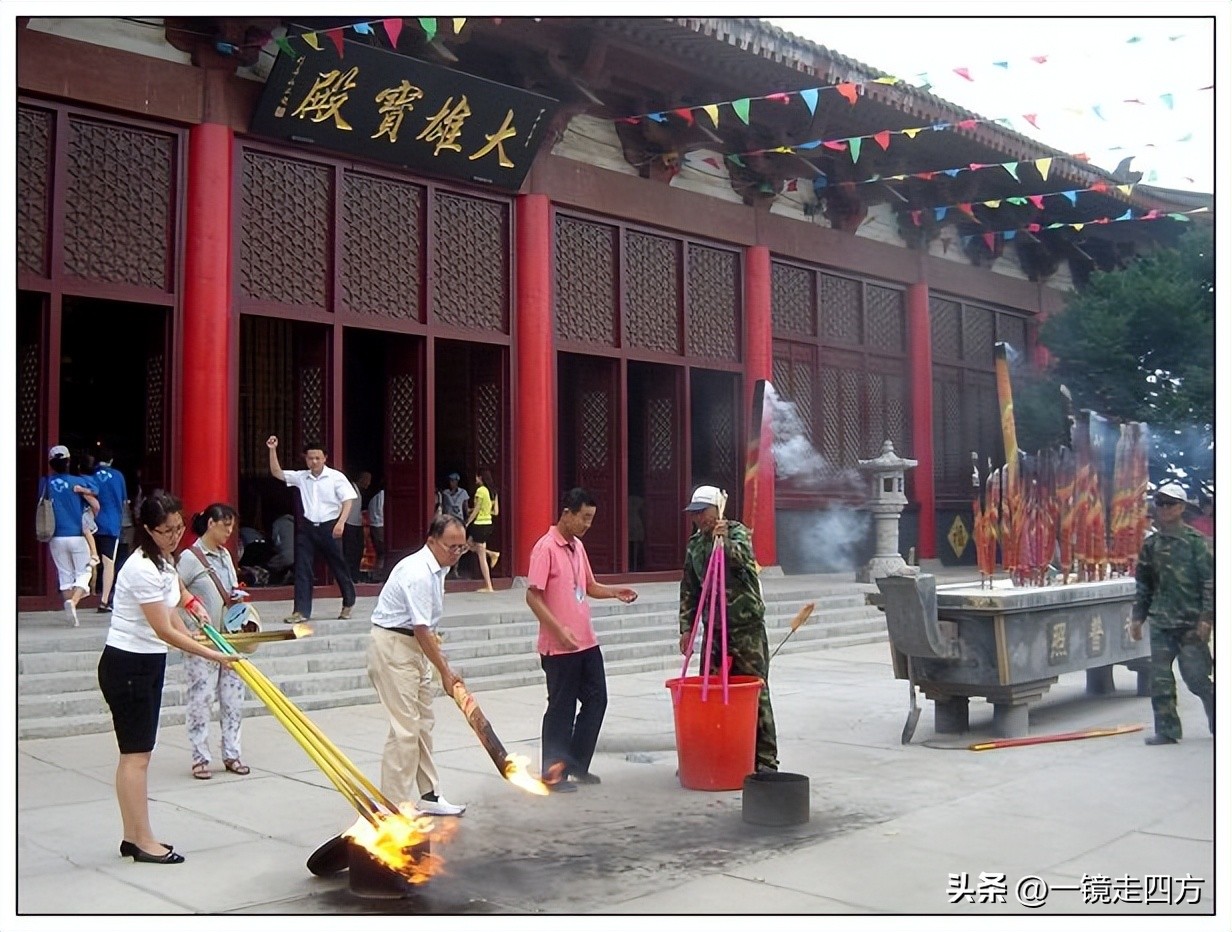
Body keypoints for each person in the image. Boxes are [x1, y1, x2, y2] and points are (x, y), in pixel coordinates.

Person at [97, 491, 237, 864]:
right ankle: (141, 840)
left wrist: (192, 609)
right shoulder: (141, 567)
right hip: (129, 666)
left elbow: (174, 597)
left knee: (139, 754)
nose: (174, 536)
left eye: (178, 528)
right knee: (135, 756)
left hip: (146, 663)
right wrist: (213, 654)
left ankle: (134, 836)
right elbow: (162, 628)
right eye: (165, 531)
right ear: (147, 529)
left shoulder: (163, 560)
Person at [526, 488, 638, 790]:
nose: (587, 525)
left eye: (591, 519)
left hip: (586, 642)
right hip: (559, 647)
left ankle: (575, 763)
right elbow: (532, 596)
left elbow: (588, 585)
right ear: (567, 513)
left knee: (597, 699)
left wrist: (615, 592)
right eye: (584, 518)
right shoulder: (546, 548)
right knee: (561, 709)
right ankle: (552, 773)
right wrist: (557, 629)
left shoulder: (577, 547)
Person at [367, 514, 470, 816]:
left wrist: (443, 665)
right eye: (451, 546)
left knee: (423, 723)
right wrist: (446, 673)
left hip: (414, 648)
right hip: (393, 646)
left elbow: (428, 633)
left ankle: (429, 795)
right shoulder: (418, 572)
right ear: (432, 542)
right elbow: (422, 628)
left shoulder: (438, 569)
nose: (456, 553)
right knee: (405, 728)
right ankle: (393, 806)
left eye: (461, 548)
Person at [679, 485, 779, 773]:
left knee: (754, 691)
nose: (700, 519)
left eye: (703, 512)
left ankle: (765, 760)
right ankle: (712, 750)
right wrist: (687, 627)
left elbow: (743, 561)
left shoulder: (737, 533)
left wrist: (723, 541)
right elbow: (689, 588)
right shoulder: (696, 544)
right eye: (695, 515)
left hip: (745, 627)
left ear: (717, 508)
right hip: (715, 630)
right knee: (708, 690)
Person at [1132, 482, 1215, 745]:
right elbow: (1144, 583)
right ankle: (1167, 730)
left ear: (1181, 508)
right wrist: (1137, 617)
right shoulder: (1151, 545)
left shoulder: (1196, 543)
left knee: (1197, 679)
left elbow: (1209, 582)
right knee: (1160, 678)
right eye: (1160, 503)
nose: (1164, 509)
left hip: (1190, 623)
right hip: (1161, 621)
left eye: (1170, 504)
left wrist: (1206, 618)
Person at [177, 503, 252, 780]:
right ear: (210, 523)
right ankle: (200, 757)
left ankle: (232, 753)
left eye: (231, 526)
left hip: (231, 639)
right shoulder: (190, 558)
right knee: (202, 698)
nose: (228, 531)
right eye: (225, 525)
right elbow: (174, 589)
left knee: (233, 700)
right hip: (204, 642)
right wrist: (189, 620)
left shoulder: (225, 556)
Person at [266, 436, 357, 622]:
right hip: (307, 528)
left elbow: (348, 500)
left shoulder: (336, 477)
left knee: (337, 565)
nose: (314, 462)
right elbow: (277, 473)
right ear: (306, 459)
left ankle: (348, 600)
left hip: (330, 526)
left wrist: (341, 523)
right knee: (302, 568)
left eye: (317, 458)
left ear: (325, 458)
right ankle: (301, 611)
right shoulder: (302, 477)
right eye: (310, 458)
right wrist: (272, 449)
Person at [41, 444, 101, 627]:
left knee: (65, 575)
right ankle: (73, 603)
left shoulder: (44, 483)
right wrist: (83, 491)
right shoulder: (77, 481)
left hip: (55, 536)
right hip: (76, 534)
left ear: (51, 464)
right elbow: (96, 490)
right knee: (85, 571)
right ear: (68, 462)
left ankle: (71, 613)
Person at [91, 446, 130, 612]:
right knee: (109, 563)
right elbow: (124, 501)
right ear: (111, 460)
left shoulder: (91, 475)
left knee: (90, 561)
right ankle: (104, 600)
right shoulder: (118, 476)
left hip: (90, 524)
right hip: (111, 525)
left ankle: (81, 594)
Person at [464, 469, 501, 591]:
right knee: (467, 545)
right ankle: (492, 553)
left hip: (479, 524)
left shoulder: (480, 491)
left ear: (480, 477)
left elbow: (477, 508)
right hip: (488, 523)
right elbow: (495, 512)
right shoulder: (493, 492)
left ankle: (489, 586)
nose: (475, 480)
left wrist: (468, 521)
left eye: (476, 477)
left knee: (480, 555)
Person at [343, 471, 372, 583]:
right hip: (349, 523)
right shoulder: (346, 488)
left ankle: (355, 575)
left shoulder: (355, 488)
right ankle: (349, 577)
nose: (368, 483)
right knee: (350, 552)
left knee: (358, 551)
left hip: (357, 523)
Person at [368, 483, 386, 577]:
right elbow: (381, 510)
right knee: (383, 552)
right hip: (380, 525)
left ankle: (376, 573)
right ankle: (379, 574)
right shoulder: (383, 496)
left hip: (373, 525)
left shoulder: (374, 498)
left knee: (379, 553)